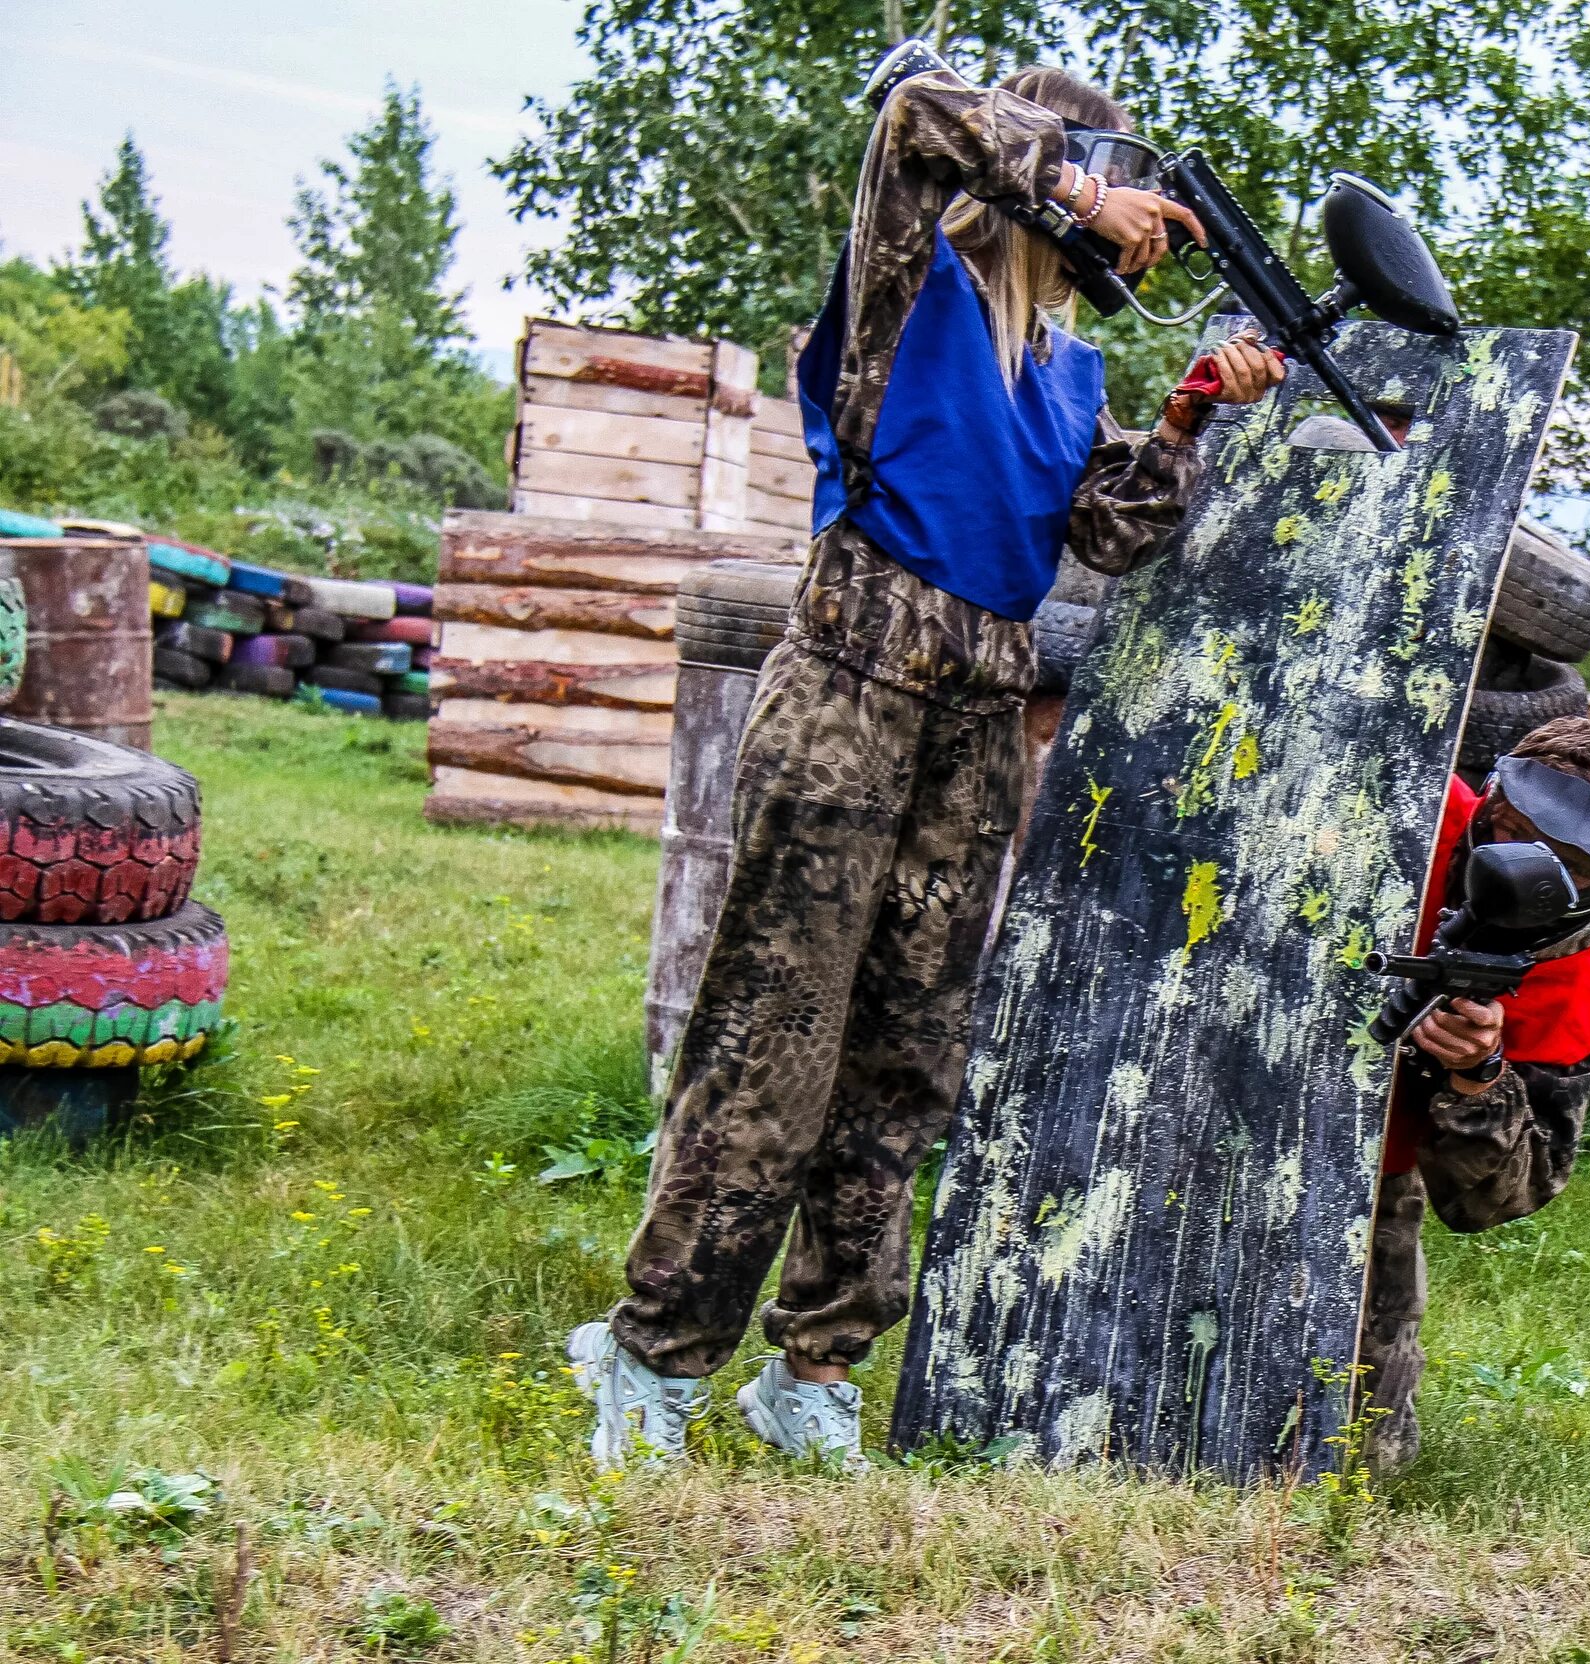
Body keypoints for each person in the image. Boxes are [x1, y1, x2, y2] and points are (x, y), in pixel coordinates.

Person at [566, 55, 1285, 1472]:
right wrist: (1073, 174)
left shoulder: (1067, 366)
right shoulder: (908, 283)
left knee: (905, 1067)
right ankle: (656, 1358)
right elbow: (910, 108)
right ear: (1050, 174)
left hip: (972, 726)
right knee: (774, 1038)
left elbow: (1108, 536)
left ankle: (818, 1367)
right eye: (1110, 183)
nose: (1125, 217)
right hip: (846, 687)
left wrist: (1196, 414)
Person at [1359, 716, 1590, 1473]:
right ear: (1486, 804)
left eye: (1569, 865)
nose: (1525, 871)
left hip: (1371, 1189)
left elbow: (1497, 1199)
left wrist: (1478, 1076)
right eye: (1511, 833)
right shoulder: (1397, 807)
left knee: (1357, 1462)